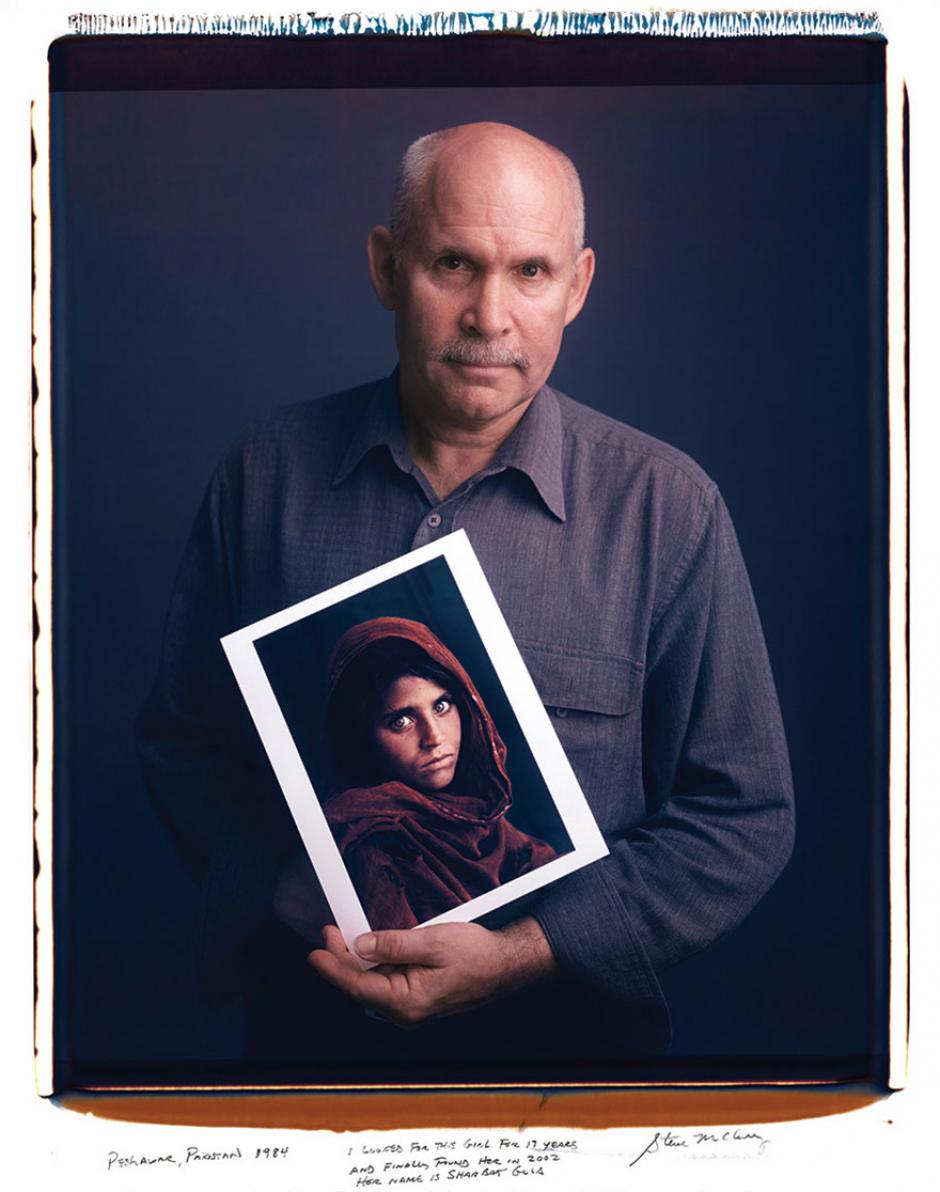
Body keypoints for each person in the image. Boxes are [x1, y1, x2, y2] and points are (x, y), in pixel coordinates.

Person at [137, 121, 794, 1069]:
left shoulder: (669, 508)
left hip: (571, 1070)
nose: (490, 315)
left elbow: (742, 815)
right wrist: (278, 880)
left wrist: (532, 952)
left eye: (531, 271)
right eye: (453, 263)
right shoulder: (264, 474)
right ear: (385, 265)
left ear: (578, 287)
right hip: (308, 1051)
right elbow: (183, 741)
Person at [322, 616, 558, 931]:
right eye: (401, 721)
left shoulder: (481, 817)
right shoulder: (369, 841)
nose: (433, 737)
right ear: (363, 740)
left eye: (441, 706)